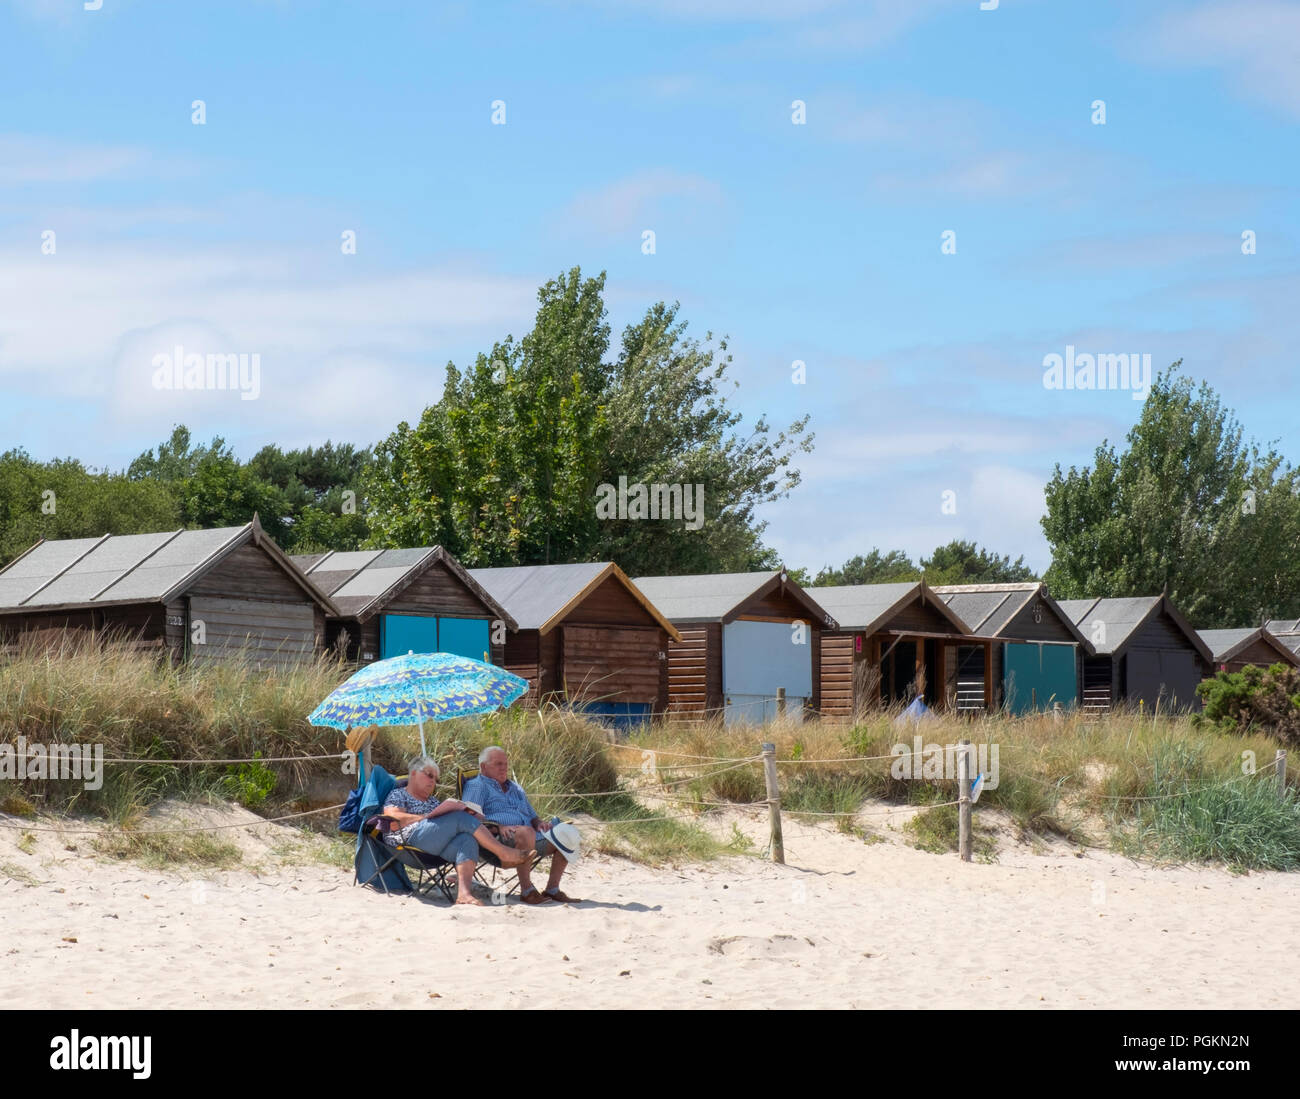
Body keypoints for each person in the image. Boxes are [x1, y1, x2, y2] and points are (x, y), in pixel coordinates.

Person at [382, 756, 531, 906]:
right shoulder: (399, 794)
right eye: (429, 775)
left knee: (466, 840)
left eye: (436, 779)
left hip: (434, 847)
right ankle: (503, 852)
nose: (433, 781)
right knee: (459, 818)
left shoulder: (433, 801)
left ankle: (464, 894)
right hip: (409, 842)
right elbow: (392, 821)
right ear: (413, 773)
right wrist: (425, 817)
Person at [462, 745, 582, 905]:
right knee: (526, 833)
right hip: (499, 840)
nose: (504, 768)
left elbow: (532, 815)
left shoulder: (515, 788)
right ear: (484, 767)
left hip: (530, 836)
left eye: (505, 764)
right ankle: (527, 891)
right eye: (498, 764)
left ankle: (552, 889)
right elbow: (470, 816)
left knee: (566, 833)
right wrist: (498, 826)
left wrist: (539, 823)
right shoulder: (478, 785)